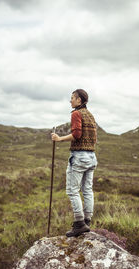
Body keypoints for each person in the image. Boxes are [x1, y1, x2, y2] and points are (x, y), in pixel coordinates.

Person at [51, 89, 97, 237]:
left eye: (72, 98)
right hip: (91, 156)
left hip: (79, 156)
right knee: (87, 190)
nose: (70, 101)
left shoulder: (76, 113)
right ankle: (87, 221)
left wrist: (59, 139)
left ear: (79, 100)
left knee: (72, 190)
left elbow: (77, 134)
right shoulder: (90, 115)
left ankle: (79, 223)